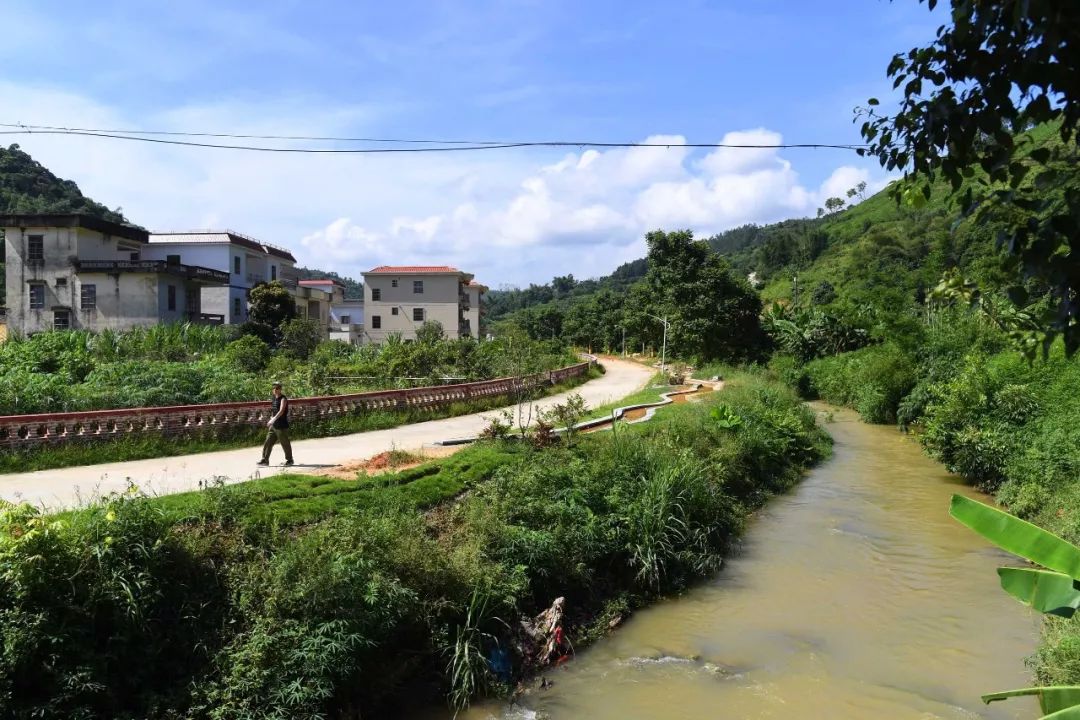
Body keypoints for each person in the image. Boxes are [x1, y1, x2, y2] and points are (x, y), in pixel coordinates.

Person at [257, 381, 294, 466]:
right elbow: (274, 410)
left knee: (285, 443)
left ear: (280, 389)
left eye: (277, 388)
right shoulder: (274, 398)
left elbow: (281, 411)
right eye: (274, 388)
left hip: (281, 425)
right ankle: (265, 460)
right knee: (268, 442)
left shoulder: (283, 399)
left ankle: (290, 460)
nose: (275, 390)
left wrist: (273, 419)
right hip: (274, 426)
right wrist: (271, 419)